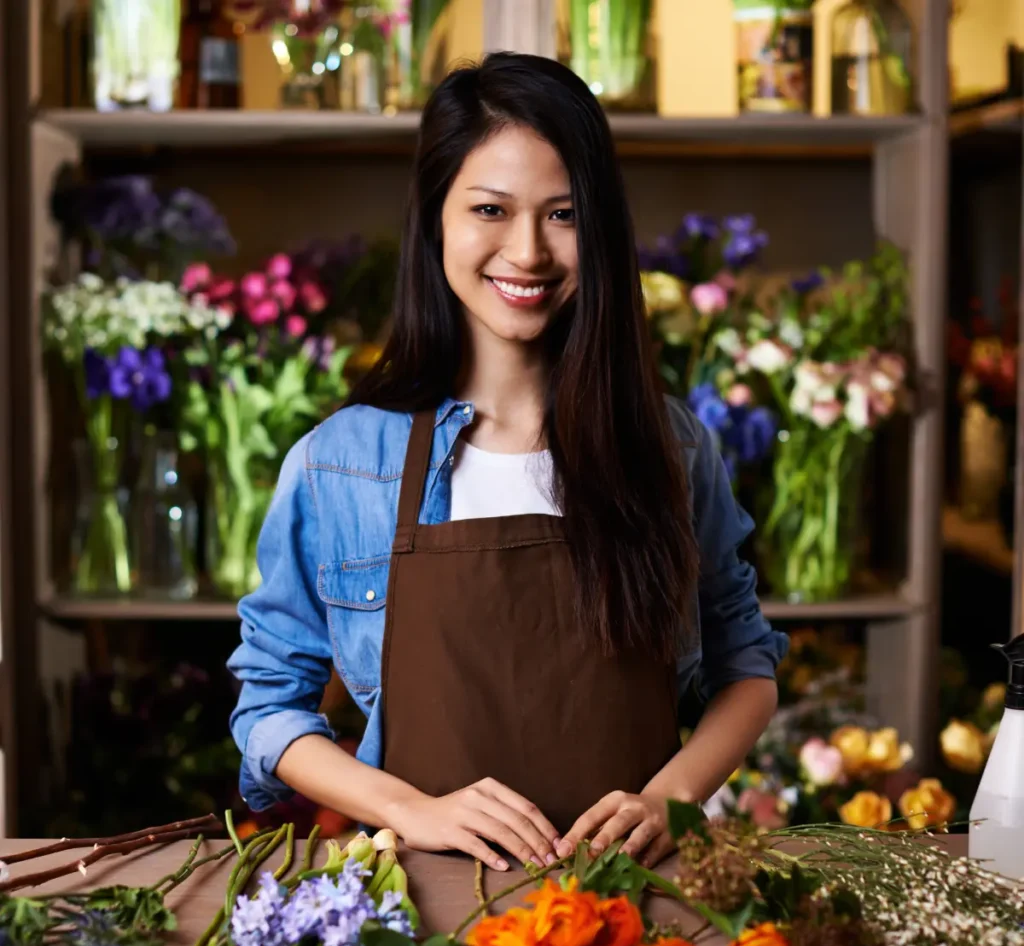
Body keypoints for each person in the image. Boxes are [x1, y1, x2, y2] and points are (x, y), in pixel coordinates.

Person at [227, 52, 788, 874]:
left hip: (635, 907)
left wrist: (673, 797)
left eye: (563, 214)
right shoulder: (340, 465)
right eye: (491, 208)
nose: (527, 251)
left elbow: (747, 666)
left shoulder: (669, 448)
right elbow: (268, 706)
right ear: (437, 218)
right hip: (420, 920)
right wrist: (411, 810)